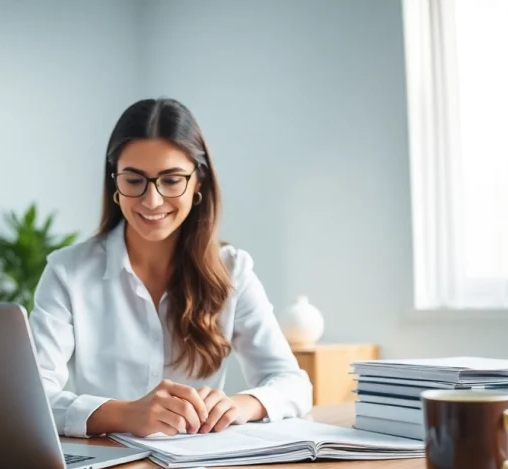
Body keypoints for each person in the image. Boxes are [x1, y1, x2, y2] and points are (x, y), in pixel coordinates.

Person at [30, 98, 312, 438]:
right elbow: (34, 397)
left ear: (198, 184)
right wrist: (125, 415)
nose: (152, 200)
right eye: (134, 181)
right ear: (114, 184)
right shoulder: (67, 272)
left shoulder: (232, 270)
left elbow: (293, 384)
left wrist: (242, 404)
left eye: (172, 180)